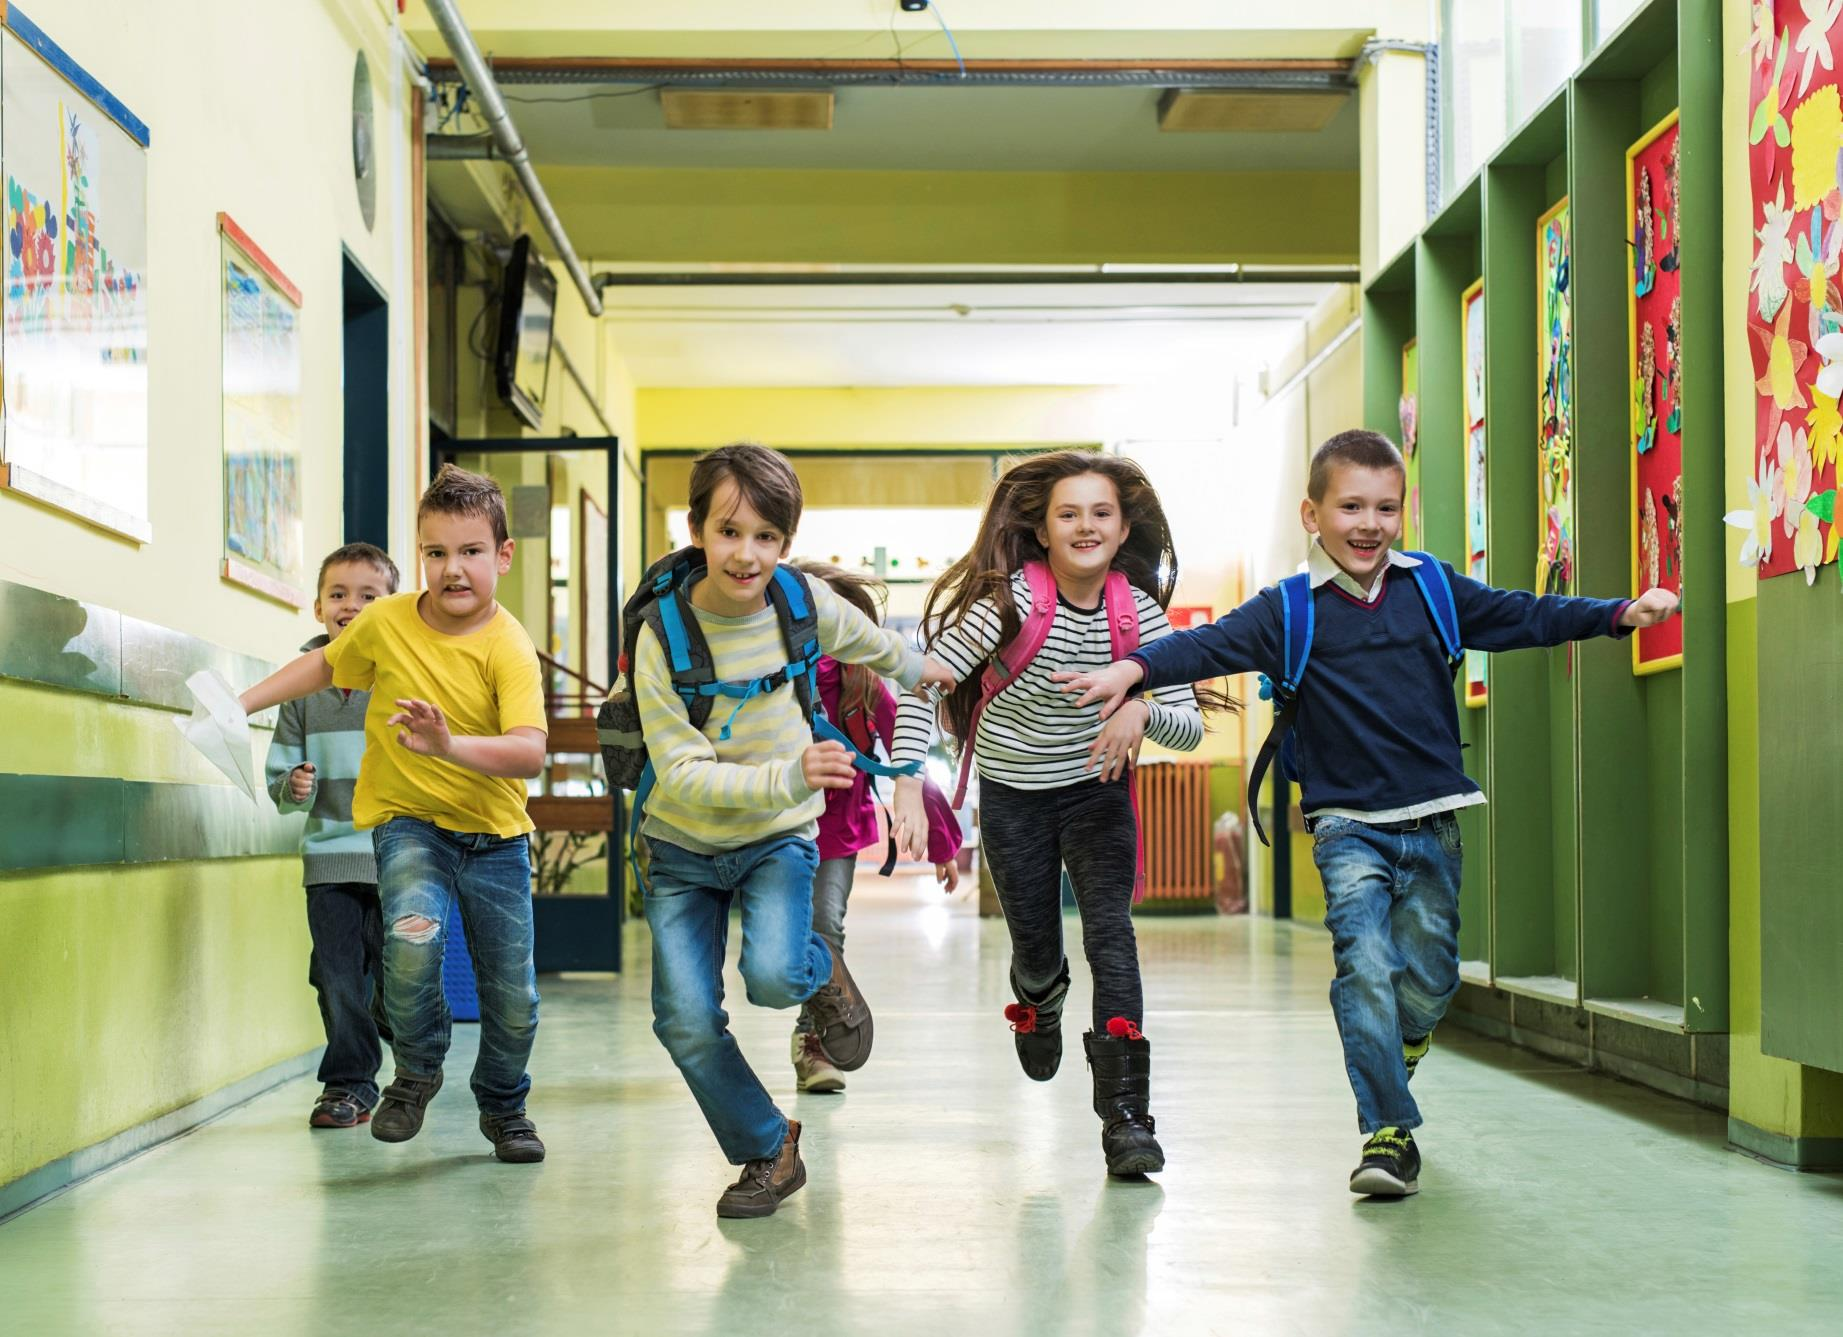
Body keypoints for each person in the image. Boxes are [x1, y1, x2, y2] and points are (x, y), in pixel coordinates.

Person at [1059, 429, 1679, 1198]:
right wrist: (1133, 668)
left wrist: (1617, 614)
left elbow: (1525, 616)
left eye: (1385, 507)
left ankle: (1404, 1040)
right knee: (1363, 966)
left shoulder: (1433, 588)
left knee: (1429, 978)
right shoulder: (1289, 609)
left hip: (1434, 815)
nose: (1369, 523)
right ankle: (1387, 1132)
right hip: (1344, 822)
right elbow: (1207, 647)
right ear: (1311, 515)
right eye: (1350, 505)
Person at [628, 444, 953, 1218]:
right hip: (678, 846)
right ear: (697, 528)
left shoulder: (799, 603)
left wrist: (923, 669)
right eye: (730, 530)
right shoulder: (659, 636)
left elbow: (872, 645)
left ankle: (823, 972)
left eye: (767, 536)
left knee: (774, 976)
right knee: (683, 1018)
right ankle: (768, 1148)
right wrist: (793, 773)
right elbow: (678, 773)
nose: (747, 554)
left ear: (786, 540)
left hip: (777, 839)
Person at [889, 451, 1217, 1177]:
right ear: (1041, 529)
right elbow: (923, 683)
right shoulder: (1007, 604)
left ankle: (1127, 1116)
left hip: (1097, 791)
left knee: (1112, 935)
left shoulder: (1139, 613)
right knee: (1035, 947)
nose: (1084, 525)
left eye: (1101, 512)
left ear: (1122, 525)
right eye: (1067, 513)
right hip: (1012, 794)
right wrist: (909, 783)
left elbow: (1189, 724)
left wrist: (1140, 711)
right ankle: (1036, 1001)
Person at [238, 465, 550, 1165]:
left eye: (471, 551)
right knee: (409, 949)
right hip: (410, 824)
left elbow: (529, 752)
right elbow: (324, 668)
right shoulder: (384, 622)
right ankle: (416, 1071)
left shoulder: (508, 645)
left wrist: (450, 745)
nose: (452, 569)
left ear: (502, 556)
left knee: (514, 995)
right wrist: (243, 703)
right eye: (435, 552)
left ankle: (504, 1104)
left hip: (496, 839)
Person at [785, 559, 963, 1095]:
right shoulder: (775, 678)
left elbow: (910, 761)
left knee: (825, 930)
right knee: (787, 939)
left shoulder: (865, 685)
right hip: (772, 826)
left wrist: (941, 842)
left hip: (834, 836)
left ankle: (812, 1040)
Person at [264, 542, 399, 1129]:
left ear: (394, 606)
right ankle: (349, 1083)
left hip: (400, 858)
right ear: (319, 608)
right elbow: (280, 773)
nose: (352, 605)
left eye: (370, 595)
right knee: (339, 976)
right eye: (339, 594)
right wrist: (291, 785)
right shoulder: (300, 689)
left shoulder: (402, 675)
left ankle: (397, 1037)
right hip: (329, 861)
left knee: (400, 981)